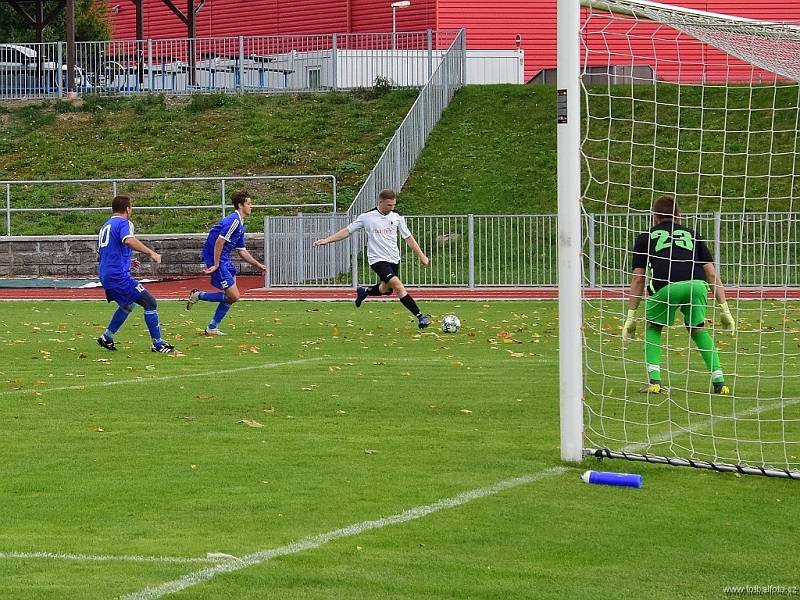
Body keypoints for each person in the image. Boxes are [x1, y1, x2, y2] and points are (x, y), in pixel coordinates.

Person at [622, 195, 735, 395]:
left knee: (654, 326)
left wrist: (630, 316)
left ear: (654, 217)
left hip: (666, 285)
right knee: (698, 329)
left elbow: (638, 279)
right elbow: (711, 273)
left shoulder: (645, 236)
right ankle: (720, 382)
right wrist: (725, 309)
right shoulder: (693, 234)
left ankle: (655, 381)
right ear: (679, 217)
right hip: (697, 284)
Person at [313, 188, 432, 329]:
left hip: (394, 258)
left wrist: (422, 255)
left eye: (393, 205)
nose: (392, 208)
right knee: (399, 286)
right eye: (389, 205)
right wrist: (327, 240)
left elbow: (408, 238)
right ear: (380, 202)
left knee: (385, 289)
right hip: (377, 259)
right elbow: (347, 231)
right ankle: (420, 317)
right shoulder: (367, 217)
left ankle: (365, 291)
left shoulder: (397, 216)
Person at [96, 195, 175, 353]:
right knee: (150, 302)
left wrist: (127, 261)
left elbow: (105, 252)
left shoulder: (106, 225)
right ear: (127, 209)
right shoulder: (124, 222)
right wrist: (151, 253)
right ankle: (157, 344)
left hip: (106, 273)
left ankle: (107, 337)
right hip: (117, 276)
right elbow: (129, 240)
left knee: (128, 304)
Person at [185, 190, 267, 334]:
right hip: (217, 258)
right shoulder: (234, 221)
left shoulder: (241, 224)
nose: (251, 206)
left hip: (225, 258)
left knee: (230, 297)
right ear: (240, 205)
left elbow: (242, 250)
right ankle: (199, 295)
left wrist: (258, 264)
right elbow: (219, 242)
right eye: (248, 203)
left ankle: (212, 328)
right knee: (234, 296)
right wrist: (216, 264)